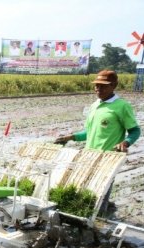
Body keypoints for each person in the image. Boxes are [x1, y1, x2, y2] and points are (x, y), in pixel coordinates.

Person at [54, 70, 140, 212]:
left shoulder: (122, 106)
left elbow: (135, 130)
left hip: (108, 158)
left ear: (114, 85)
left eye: (103, 86)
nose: (98, 89)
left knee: (99, 197)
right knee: (85, 193)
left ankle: (100, 222)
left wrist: (125, 142)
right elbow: (89, 132)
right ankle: (103, 210)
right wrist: (71, 137)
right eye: (97, 85)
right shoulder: (94, 106)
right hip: (89, 156)